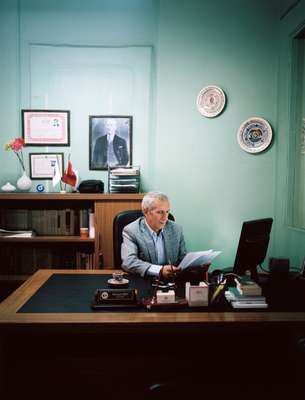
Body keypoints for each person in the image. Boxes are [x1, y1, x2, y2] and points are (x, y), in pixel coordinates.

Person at [121, 191, 186, 280]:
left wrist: (196, 266)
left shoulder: (176, 229)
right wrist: (160, 270)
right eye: (160, 212)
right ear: (145, 211)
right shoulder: (131, 231)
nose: (165, 218)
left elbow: (183, 259)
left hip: (171, 282)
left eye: (167, 212)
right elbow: (128, 262)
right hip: (144, 281)